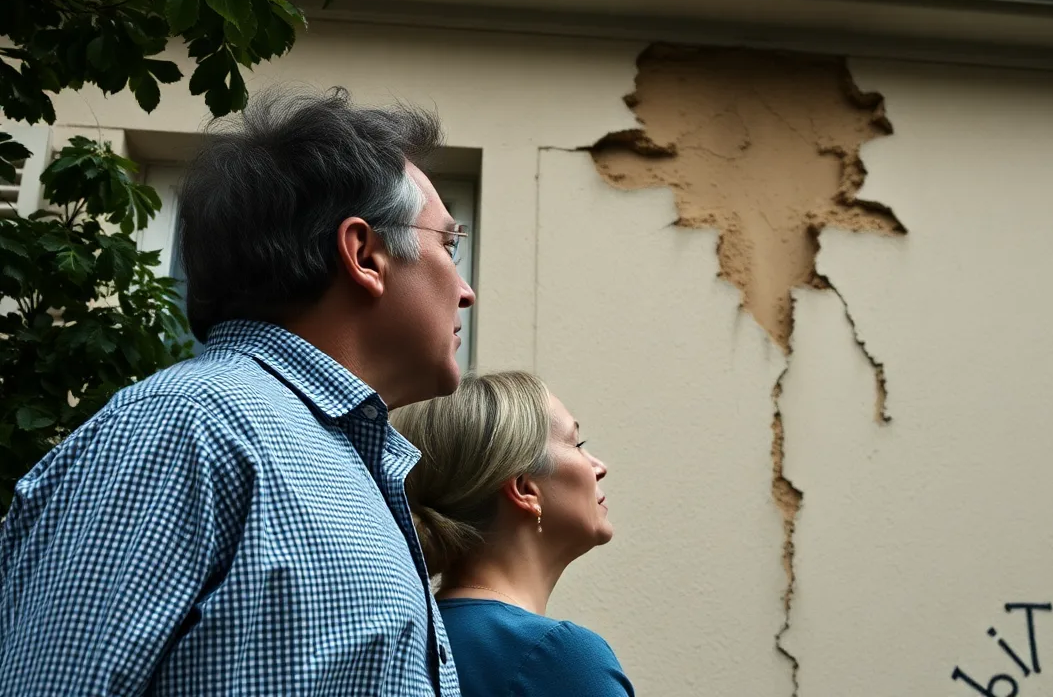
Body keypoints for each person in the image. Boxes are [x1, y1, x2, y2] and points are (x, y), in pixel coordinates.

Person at [0, 88, 475, 696]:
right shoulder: (185, 425)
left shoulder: (349, 462)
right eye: (448, 244)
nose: (466, 291)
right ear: (364, 254)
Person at [392, 371, 635, 696]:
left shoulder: (410, 639)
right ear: (524, 489)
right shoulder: (561, 658)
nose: (599, 466)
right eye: (578, 444)